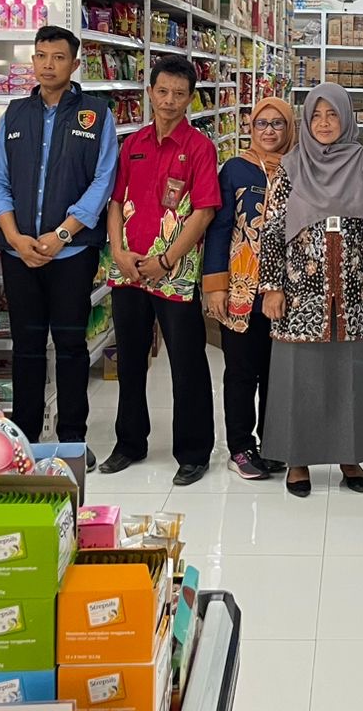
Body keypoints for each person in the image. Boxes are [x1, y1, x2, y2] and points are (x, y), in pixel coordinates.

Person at [0, 25, 117, 470]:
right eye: (41, 56)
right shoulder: (15, 114)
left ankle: (71, 439)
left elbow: (103, 181)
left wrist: (62, 234)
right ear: (33, 61)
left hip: (72, 254)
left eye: (58, 57)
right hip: (19, 253)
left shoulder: (96, 115)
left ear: (74, 64)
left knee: (70, 346)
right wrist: (14, 236)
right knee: (25, 346)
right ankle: (23, 439)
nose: (48, 65)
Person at [258, 83, 363, 497]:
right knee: (300, 373)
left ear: (346, 117)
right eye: (315, 116)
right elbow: (272, 230)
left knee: (350, 371)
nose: (324, 123)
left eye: (332, 114)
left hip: (355, 287)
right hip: (301, 289)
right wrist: (272, 286)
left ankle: (349, 455)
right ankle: (297, 459)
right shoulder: (291, 166)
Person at [103, 56, 220, 484]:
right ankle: (129, 443)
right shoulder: (132, 143)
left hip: (176, 273)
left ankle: (194, 452)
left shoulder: (200, 147)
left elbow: (204, 212)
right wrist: (118, 250)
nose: (169, 101)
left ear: (190, 99)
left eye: (179, 94)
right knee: (130, 361)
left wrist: (166, 260)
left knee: (187, 363)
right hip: (129, 270)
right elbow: (116, 201)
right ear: (150, 92)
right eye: (163, 91)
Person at [202, 97, 295, 480]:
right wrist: (215, 285)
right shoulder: (235, 170)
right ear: (251, 128)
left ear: (289, 128)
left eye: (277, 123)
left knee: (278, 372)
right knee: (241, 371)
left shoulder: (299, 168)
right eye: (261, 123)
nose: (269, 131)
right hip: (241, 288)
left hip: (286, 290)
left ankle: (273, 443)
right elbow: (220, 228)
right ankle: (240, 447)